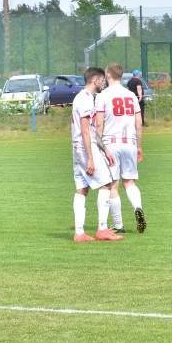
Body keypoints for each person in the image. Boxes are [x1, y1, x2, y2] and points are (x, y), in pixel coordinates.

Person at [95, 62, 146, 234]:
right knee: (130, 181)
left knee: (112, 185)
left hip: (111, 143)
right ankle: (137, 207)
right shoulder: (131, 95)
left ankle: (118, 224)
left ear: (108, 75)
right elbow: (138, 123)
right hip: (130, 142)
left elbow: (99, 124)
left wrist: (97, 145)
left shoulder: (102, 96)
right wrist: (138, 146)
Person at [73, 67, 121, 242]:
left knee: (82, 189)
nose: (103, 83)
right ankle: (102, 229)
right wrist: (91, 159)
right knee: (107, 183)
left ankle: (79, 233)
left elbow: (92, 131)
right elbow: (86, 131)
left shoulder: (83, 98)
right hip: (86, 149)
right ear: (96, 81)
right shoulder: (85, 100)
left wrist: (105, 150)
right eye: (102, 80)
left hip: (78, 149)